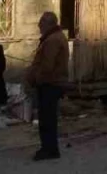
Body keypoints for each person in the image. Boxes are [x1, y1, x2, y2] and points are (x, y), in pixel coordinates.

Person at [25, 12, 69, 161]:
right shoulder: (56, 37)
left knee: (46, 118)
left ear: (48, 24)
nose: (39, 25)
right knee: (48, 117)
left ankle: (48, 149)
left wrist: (34, 78)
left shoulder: (52, 40)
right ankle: (50, 148)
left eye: (41, 22)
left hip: (49, 83)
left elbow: (47, 66)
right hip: (53, 82)